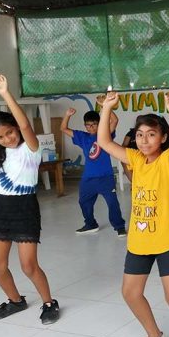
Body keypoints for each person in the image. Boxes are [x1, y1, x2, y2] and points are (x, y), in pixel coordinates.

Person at [96, 91, 169, 337]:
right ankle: (154, 334)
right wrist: (107, 108)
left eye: (151, 134)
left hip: (166, 242)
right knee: (130, 293)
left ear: (163, 137)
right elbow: (104, 141)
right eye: (140, 134)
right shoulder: (134, 159)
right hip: (139, 242)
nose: (144, 140)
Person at [0, 73, 59, 324]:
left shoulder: (30, 148)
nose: (7, 139)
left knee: (28, 266)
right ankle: (16, 300)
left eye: (9, 133)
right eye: (0, 137)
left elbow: (25, 126)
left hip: (24, 208)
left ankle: (49, 303)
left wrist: (5, 93)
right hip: (1, 209)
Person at [60, 100, 126, 237]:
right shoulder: (82, 137)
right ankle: (90, 224)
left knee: (112, 202)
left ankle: (119, 226)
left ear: (99, 123)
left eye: (94, 124)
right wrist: (67, 115)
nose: (90, 127)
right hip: (88, 178)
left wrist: (105, 106)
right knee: (84, 202)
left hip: (105, 177)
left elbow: (114, 120)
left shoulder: (105, 134)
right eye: (88, 125)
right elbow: (63, 129)